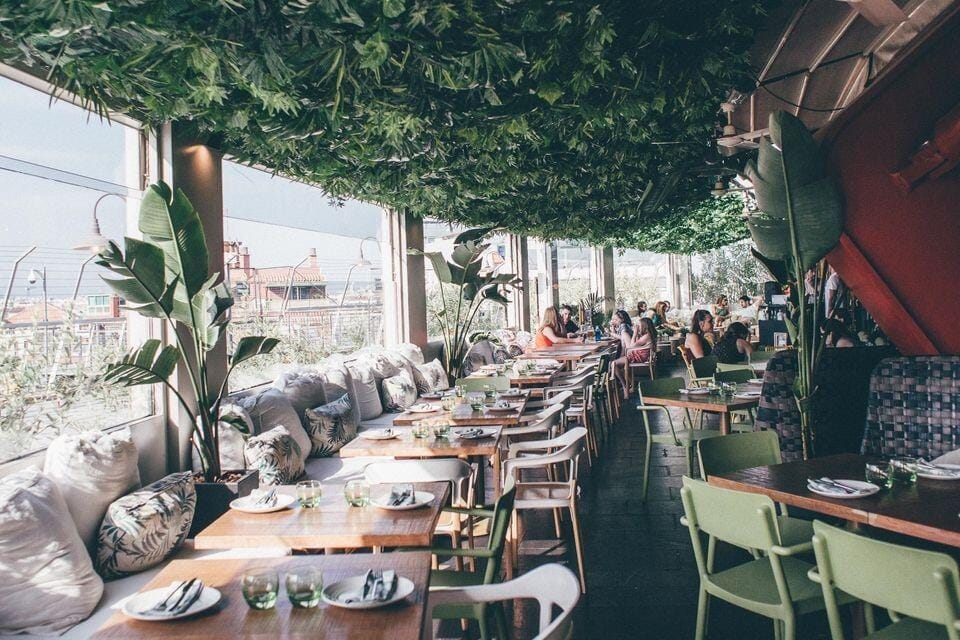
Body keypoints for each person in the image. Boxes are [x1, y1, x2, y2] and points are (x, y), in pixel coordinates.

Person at [612, 317, 657, 399]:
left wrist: (635, 333)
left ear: (644, 326)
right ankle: (631, 384)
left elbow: (631, 346)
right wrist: (637, 335)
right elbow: (635, 343)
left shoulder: (646, 336)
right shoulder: (648, 335)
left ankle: (625, 386)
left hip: (639, 357)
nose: (637, 327)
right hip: (640, 356)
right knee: (619, 365)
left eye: (639, 326)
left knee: (613, 364)